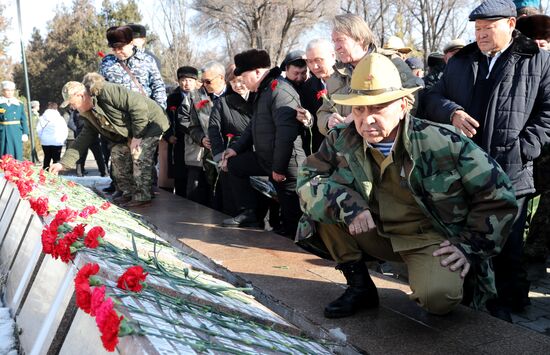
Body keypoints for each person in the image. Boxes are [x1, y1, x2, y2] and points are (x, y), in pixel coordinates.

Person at [296, 53, 518, 319]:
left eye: (378, 107)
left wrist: (468, 245)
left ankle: (457, 282)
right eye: (359, 109)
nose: (367, 120)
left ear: (403, 105)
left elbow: (499, 194)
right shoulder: (341, 141)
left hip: (428, 239)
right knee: (321, 211)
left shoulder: (441, 142)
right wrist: (347, 203)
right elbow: (308, 180)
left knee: (437, 298)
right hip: (374, 231)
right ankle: (360, 287)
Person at [422, 0, 550, 321]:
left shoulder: (538, 61)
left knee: (506, 250)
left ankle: (501, 315)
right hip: (464, 173)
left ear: (510, 24)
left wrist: (524, 148)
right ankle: (467, 308)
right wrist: (452, 112)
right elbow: (432, 98)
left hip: (511, 174)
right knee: (465, 243)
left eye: (487, 28)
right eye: (477, 29)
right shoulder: (461, 61)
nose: (480, 35)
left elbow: (548, 112)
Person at [50, 73, 169, 208]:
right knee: (118, 153)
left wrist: (137, 136)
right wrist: (63, 164)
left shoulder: (107, 91)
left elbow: (138, 106)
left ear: (81, 96)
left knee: (139, 153)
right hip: (130, 132)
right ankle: (128, 192)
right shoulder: (88, 113)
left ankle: (143, 195)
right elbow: (83, 139)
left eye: (72, 103)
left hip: (150, 123)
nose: (72, 108)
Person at [223, 49, 305, 236]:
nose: (242, 81)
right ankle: (249, 213)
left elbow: (286, 135)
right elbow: (254, 125)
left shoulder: (279, 90)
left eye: (244, 76)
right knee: (235, 165)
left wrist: (279, 168)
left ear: (258, 72)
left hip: (286, 166)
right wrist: (235, 149)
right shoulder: (263, 90)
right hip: (265, 159)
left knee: (292, 219)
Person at [317, 14, 422, 137]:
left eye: (340, 40)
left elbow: (410, 101)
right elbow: (323, 111)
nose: (336, 47)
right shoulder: (336, 76)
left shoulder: (391, 62)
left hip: (386, 146)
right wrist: (328, 121)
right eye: (334, 41)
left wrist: (359, 117)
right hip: (347, 150)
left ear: (360, 39)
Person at [208, 64, 253, 216]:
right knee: (232, 198)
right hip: (231, 154)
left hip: (257, 152)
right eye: (234, 82)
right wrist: (220, 155)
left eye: (241, 81)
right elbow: (214, 130)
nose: (239, 85)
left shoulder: (258, 97)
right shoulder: (223, 102)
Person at [99, 25, 166, 108]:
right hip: (118, 115)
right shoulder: (107, 63)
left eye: (120, 48)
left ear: (130, 43)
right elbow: (101, 88)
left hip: (144, 112)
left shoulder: (147, 60)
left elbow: (158, 86)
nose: (117, 52)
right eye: (114, 49)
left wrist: (159, 110)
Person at [296, 38, 337, 155]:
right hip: (323, 150)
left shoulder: (350, 79)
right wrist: (308, 120)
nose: (314, 67)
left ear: (332, 56)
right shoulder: (308, 87)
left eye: (318, 60)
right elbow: (312, 120)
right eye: (309, 61)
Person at [165, 66, 199, 197]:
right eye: (183, 80)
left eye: (190, 80)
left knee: (195, 176)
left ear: (196, 82)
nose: (187, 83)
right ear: (178, 81)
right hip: (178, 141)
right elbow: (165, 119)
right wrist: (168, 136)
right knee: (180, 175)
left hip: (195, 141)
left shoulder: (201, 97)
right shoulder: (172, 98)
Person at [0, 81, 29, 160]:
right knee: (4, 154)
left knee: (17, 153)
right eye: (7, 90)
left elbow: (23, 119)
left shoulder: (19, 104)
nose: (10, 92)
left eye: (12, 90)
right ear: (3, 91)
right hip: (3, 132)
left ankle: (17, 171)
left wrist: (25, 133)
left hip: (16, 132)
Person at [36, 102, 68, 170]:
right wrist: (62, 139)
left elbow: (38, 129)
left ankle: (45, 173)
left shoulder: (42, 118)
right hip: (57, 141)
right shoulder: (60, 118)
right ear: (56, 108)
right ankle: (55, 174)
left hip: (45, 142)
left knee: (47, 157)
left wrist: (42, 137)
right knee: (56, 160)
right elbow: (64, 130)